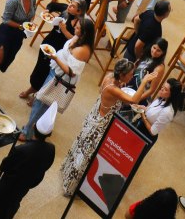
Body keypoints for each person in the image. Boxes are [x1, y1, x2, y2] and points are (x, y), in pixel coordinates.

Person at [60, 59, 155, 196]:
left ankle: (69, 176)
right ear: (122, 75)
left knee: (82, 146)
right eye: (130, 74)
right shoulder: (112, 88)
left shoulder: (110, 76)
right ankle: (71, 188)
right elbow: (133, 100)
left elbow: (102, 91)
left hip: (97, 113)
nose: (131, 77)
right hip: (101, 124)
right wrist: (145, 81)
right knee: (88, 154)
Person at [21, 17, 96, 140]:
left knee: (41, 103)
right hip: (55, 72)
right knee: (43, 103)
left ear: (84, 33)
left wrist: (55, 57)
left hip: (60, 78)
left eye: (77, 28)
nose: (75, 29)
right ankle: (34, 129)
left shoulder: (83, 50)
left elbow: (71, 72)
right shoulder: (78, 38)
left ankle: (28, 131)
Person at [0, 104, 57, 219]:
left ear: (33, 128)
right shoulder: (51, 149)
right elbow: (46, 166)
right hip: (24, 187)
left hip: (8, 185)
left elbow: (4, 166)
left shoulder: (22, 150)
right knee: (12, 206)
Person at [136, 78, 183, 142]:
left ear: (171, 95)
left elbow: (153, 132)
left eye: (165, 89)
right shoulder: (162, 98)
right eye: (163, 86)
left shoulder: (167, 112)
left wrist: (142, 115)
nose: (162, 89)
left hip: (145, 136)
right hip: (141, 125)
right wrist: (143, 108)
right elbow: (153, 113)